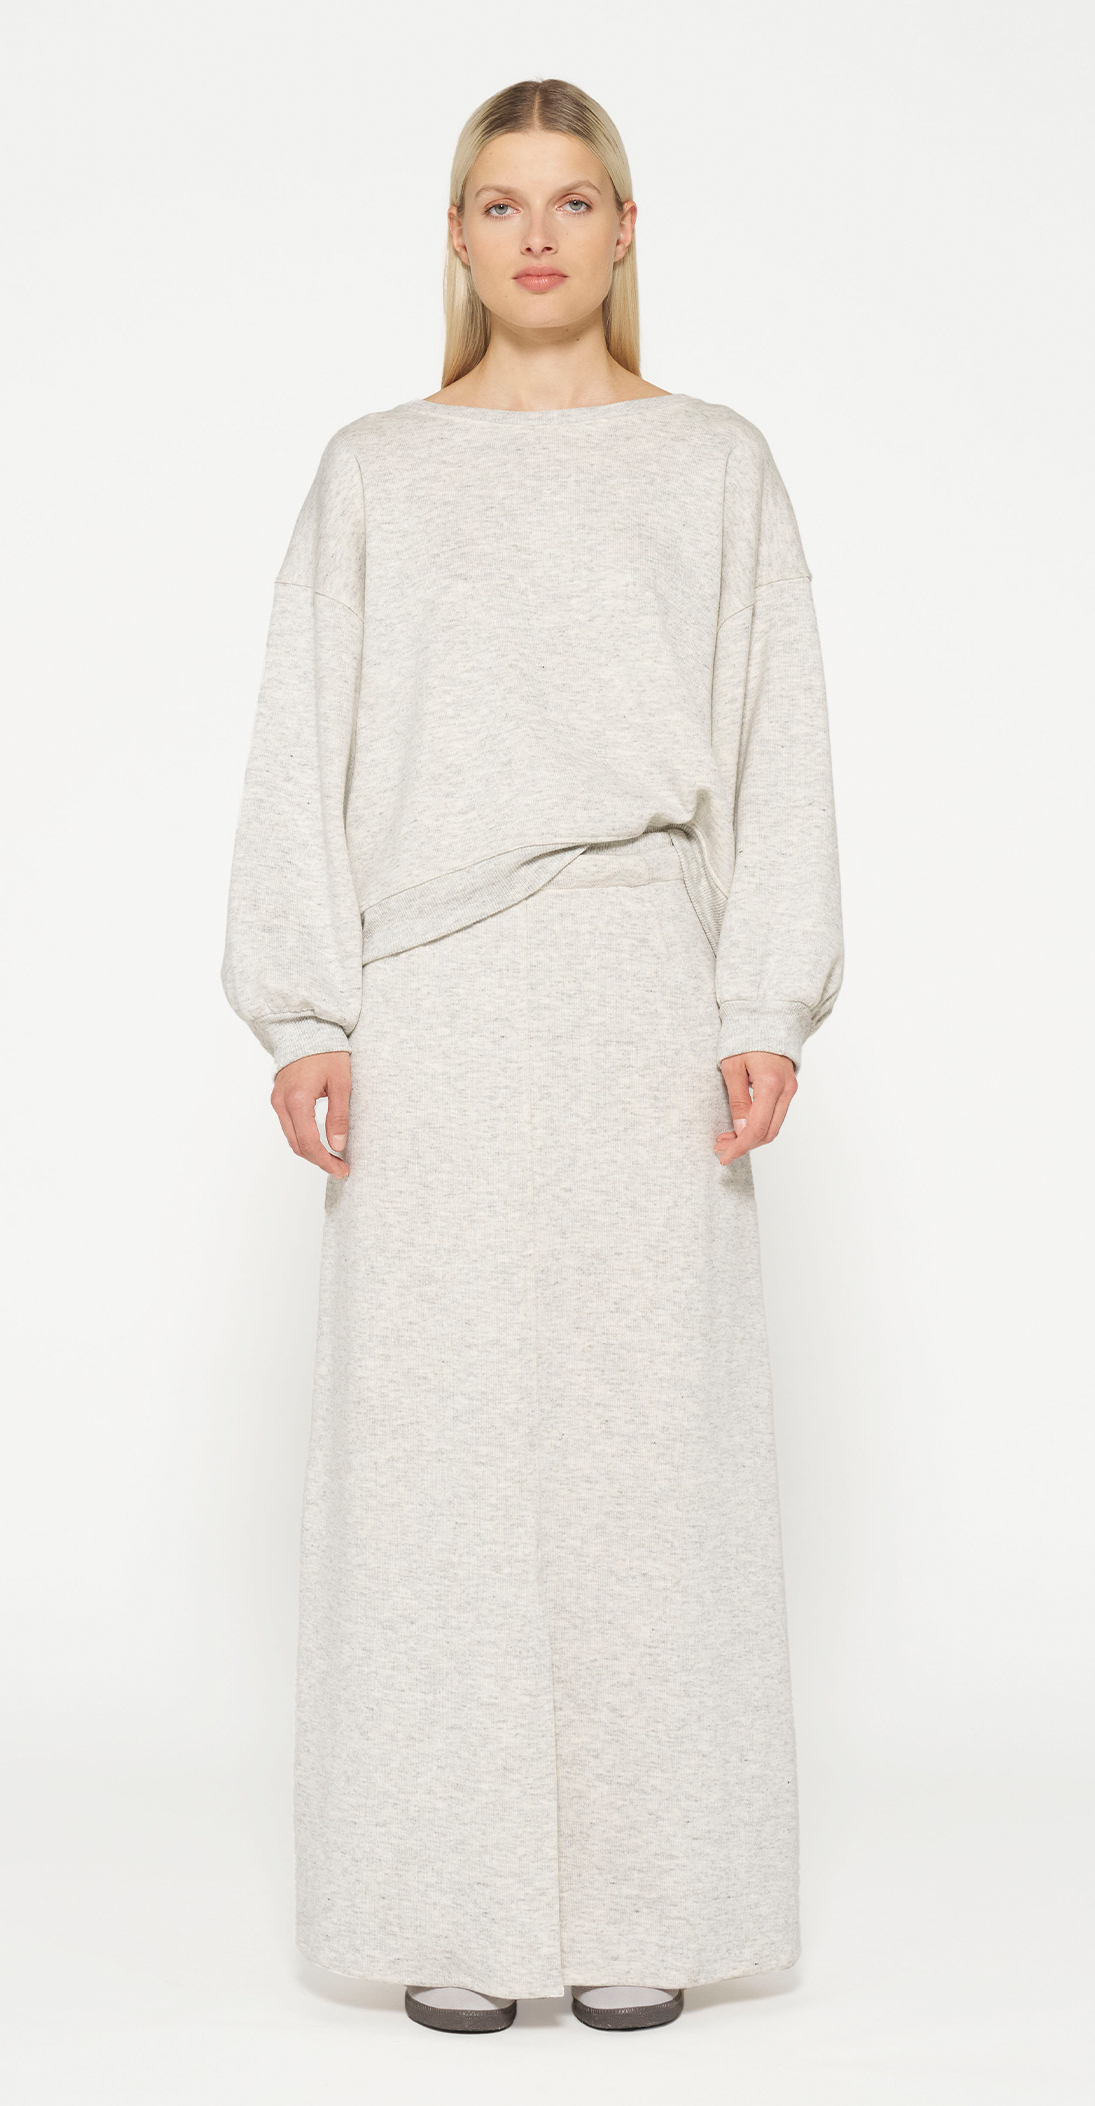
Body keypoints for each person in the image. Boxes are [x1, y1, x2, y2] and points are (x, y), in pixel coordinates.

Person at [222, 76, 843, 2036]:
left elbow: (777, 739)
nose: (540, 235)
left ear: (627, 230)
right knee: (433, 1452)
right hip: (433, 992)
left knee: (650, 1446)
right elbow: (302, 743)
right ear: (457, 234)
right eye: (502, 203)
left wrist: (760, 1001)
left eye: (575, 201)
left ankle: (645, 1897)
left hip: (640, 979)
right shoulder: (374, 473)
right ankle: (450, 1899)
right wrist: (307, 1011)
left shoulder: (713, 464)